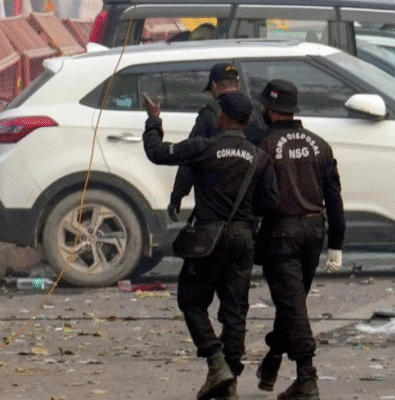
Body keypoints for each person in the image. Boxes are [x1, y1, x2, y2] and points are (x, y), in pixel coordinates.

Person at [142, 92, 279, 400]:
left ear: (221, 118)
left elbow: (157, 152)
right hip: (243, 239)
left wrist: (154, 120)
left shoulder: (204, 148)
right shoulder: (260, 158)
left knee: (191, 301)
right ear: (247, 121)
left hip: (208, 238)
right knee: (235, 311)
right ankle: (228, 380)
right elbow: (270, 203)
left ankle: (216, 362)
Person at [254, 80, 345, 400]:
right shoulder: (320, 145)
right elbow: (334, 198)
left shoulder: (264, 146)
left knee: (292, 305)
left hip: (282, 233)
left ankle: (307, 376)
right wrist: (336, 243)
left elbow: (257, 199)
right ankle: (273, 362)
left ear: (269, 109)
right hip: (314, 232)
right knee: (291, 303)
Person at [168, 62, 267, 222]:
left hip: (215, 205)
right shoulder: (258, 112)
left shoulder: (210, 114)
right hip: (251, 203)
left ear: (214, 85)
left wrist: (177, 196)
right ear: (238, 85)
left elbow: (190, 158)